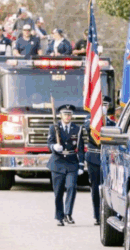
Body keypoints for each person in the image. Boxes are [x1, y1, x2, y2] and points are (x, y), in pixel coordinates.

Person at [47, 105, 84, 226]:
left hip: (71, 162)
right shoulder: (54, 127)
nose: (67, 116)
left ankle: (68, 213)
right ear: (61, 115)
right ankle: (59, 216)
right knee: (58, 192)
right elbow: (50, 143)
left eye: (69, 114)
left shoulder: (77, 129)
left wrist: (81, 165)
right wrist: (54, 147)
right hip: (57, 162)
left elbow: (81, 148)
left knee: (71, 187)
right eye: (65, 114)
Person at [87, 96, 113, 225]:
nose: (103, 107)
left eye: (105, 105)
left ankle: (109, 214)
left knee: (109, 188)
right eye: (100, 105)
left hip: (108, 160)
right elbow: (87, 129)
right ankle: (97, 215)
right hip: (94, 158)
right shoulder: (91, 123)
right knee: (96, 188)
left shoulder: (112, 124)